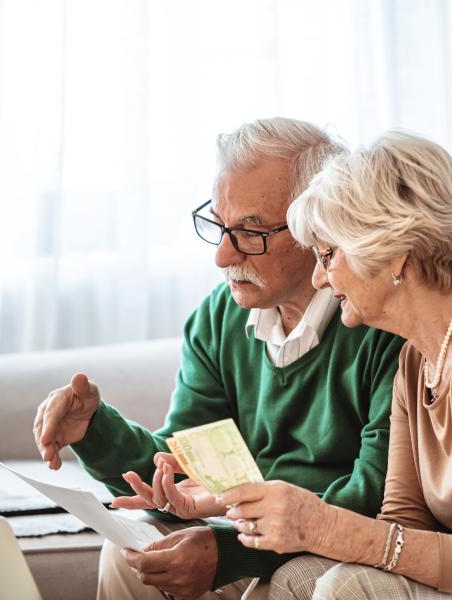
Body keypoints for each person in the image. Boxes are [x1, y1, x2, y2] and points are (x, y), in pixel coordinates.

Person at [33, 117, 404, 600]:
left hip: (330, 539)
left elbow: (375, 496)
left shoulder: (380, 321)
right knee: (131, 551)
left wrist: (230, 550)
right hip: (248, 533)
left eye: (251, 231)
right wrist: (93, 430)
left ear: (318, 223)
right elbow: (183, 472)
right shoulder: (220, 317)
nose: (223, 257)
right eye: (218, 225)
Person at [201, 131, 452, 599]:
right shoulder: (416, 363)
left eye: (328, 254)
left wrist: (323, 526)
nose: (318, 276)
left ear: (393, 250)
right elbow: (399, 523)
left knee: (345, 584)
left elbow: (382, 544)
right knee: (298, 578)